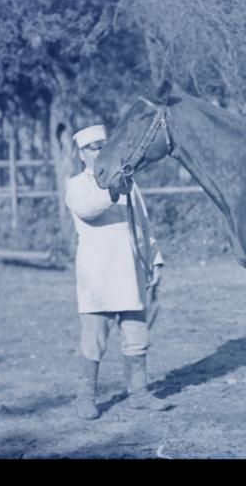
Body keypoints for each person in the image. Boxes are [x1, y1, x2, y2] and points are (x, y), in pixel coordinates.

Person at [65, 124, 171, 419]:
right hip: (97, 274)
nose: (99, 152)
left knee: (137, 334)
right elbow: (86, 210)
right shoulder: (77, 184)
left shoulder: (129, 183)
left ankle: (139, 394)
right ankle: (85, 397)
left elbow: (143, 225)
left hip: (130, 269)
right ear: (81, 154)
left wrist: (155, 259)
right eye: (93, 148)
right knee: (94, 337)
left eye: (103, 145)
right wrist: (112, 193)